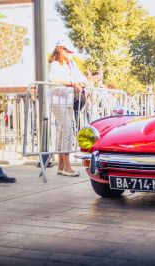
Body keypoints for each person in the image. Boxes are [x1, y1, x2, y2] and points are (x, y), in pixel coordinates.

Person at [48, 40, 87, 177]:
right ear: (60, 49)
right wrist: (72, 83)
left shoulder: (71, 65)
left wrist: (80, 83)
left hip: (68, 101)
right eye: (67, 51)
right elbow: (53, 79)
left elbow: (82, 79)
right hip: (58, 101)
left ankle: (61, 165)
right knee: (67, 130)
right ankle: (67, 166)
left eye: (71, 51)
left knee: (63, 131)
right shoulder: (55, 64)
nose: (70, 53)